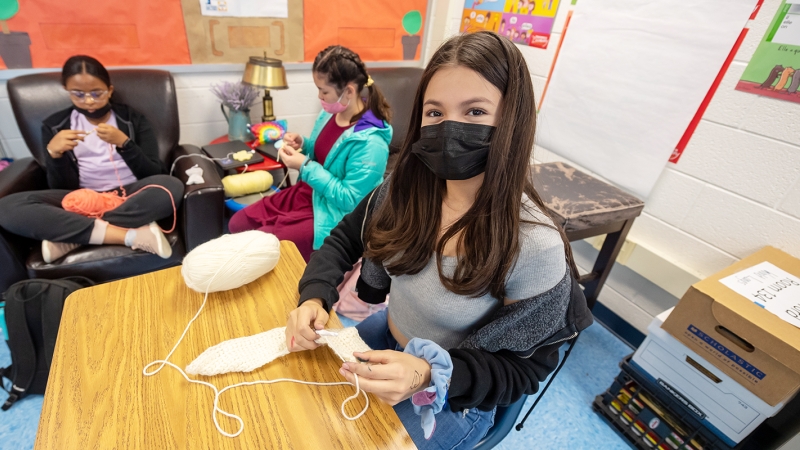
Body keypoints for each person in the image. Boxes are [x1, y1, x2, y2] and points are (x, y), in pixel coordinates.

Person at [284, 31, 592, 449]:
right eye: (434, 112)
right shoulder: (402, 191)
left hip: (455, 390)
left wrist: (427, 374)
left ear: (512, 120)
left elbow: (523, 369)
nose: (449, 128)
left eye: (476, 111)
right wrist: (313, 297)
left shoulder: (535, 244)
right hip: (387, 336)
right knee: (299, 412)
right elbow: (343, 240)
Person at [0, 55, 182, 263]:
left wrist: (126, 144)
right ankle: (127, 235)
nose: (89, 101)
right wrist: (55, 155)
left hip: (129, 194)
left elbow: (153, 173)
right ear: (68, 92)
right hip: (81, 198)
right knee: (6, 208)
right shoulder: (55, 126)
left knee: (170, 186)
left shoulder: (132, 119)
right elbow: (63, 187)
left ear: (110, 91)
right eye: (78, 94)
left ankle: (76, 236)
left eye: (97, 93)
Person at [228, 46, 392, 261]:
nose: (320, 96)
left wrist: (305, 166)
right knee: (237, 223)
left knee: (260, 247)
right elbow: (326, 152)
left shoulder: (371, 142)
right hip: (308, 193)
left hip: (333, 213)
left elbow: (351, 200)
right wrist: (304, 144)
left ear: (349, 91)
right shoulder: (330, 114)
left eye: (324, 91)